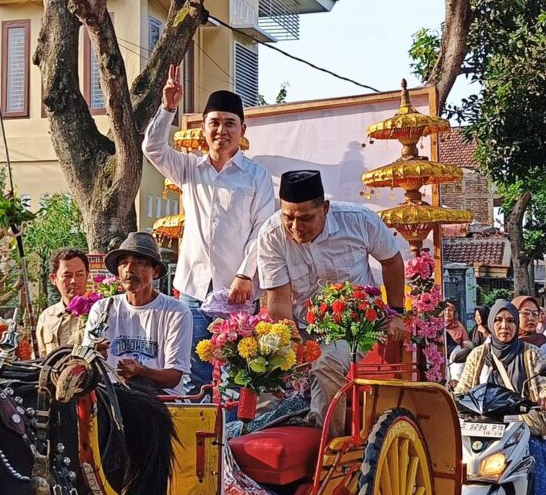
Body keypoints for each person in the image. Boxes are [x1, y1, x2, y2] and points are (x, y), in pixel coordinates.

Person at [143, 65, 276, 393]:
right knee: (191, 374)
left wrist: (246, 275)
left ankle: (232, 439)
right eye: (214, 123)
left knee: (240, 376)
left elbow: (264, 229)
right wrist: (168, 108)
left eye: (229, 123)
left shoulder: (256, 175)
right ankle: (195, 439)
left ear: (242, 128)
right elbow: (153, 149)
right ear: (203, 128)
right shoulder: (189, 168)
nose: (222, 130)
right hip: (193, 290)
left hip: (238, 292)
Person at [257, 169, 408, 431]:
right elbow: (279, 301)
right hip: (301, 325)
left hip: (356, 327)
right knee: (261, 359)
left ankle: (325, 445)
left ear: (325, 208)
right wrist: (288, 341)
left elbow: (392, 261)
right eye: (288, 218)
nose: (295, 228)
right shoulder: (271, 235)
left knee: (325, 364)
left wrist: (395, 313)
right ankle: (264, 435)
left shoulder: (358, 220)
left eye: (305, 218)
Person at [455, 302, 546, 495]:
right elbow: (463, 389)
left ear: (516, 324)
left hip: (524, 425)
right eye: (498, 320)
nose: (504, 326)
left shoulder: (531, 354)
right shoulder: (478, 355)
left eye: (510, 321)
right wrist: (454, 397)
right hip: (483, 427)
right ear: (490, 323)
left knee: (538, 454)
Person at [83, 232, 193, 396]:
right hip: (114, 399)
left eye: (139, 263)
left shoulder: (175, 312)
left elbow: (173, 377)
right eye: (123, 263)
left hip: (160, 401)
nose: (129, 269)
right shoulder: (103, 309)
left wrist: (142, 371)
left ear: (155, 271)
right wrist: (95, 356)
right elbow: (86, 365)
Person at [35, 248, 90, 357]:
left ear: (87, 276)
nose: (74, 281)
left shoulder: (100, 312)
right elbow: (41, 359)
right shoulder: (46, 317)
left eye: (79, 275)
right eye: (67, 276)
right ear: (53, 278)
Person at [515, 295, 546, 363]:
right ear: (513, 314)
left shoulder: (544, 345)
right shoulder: (503, 343)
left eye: (535, 314)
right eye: (526, 313)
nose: (531, 318)